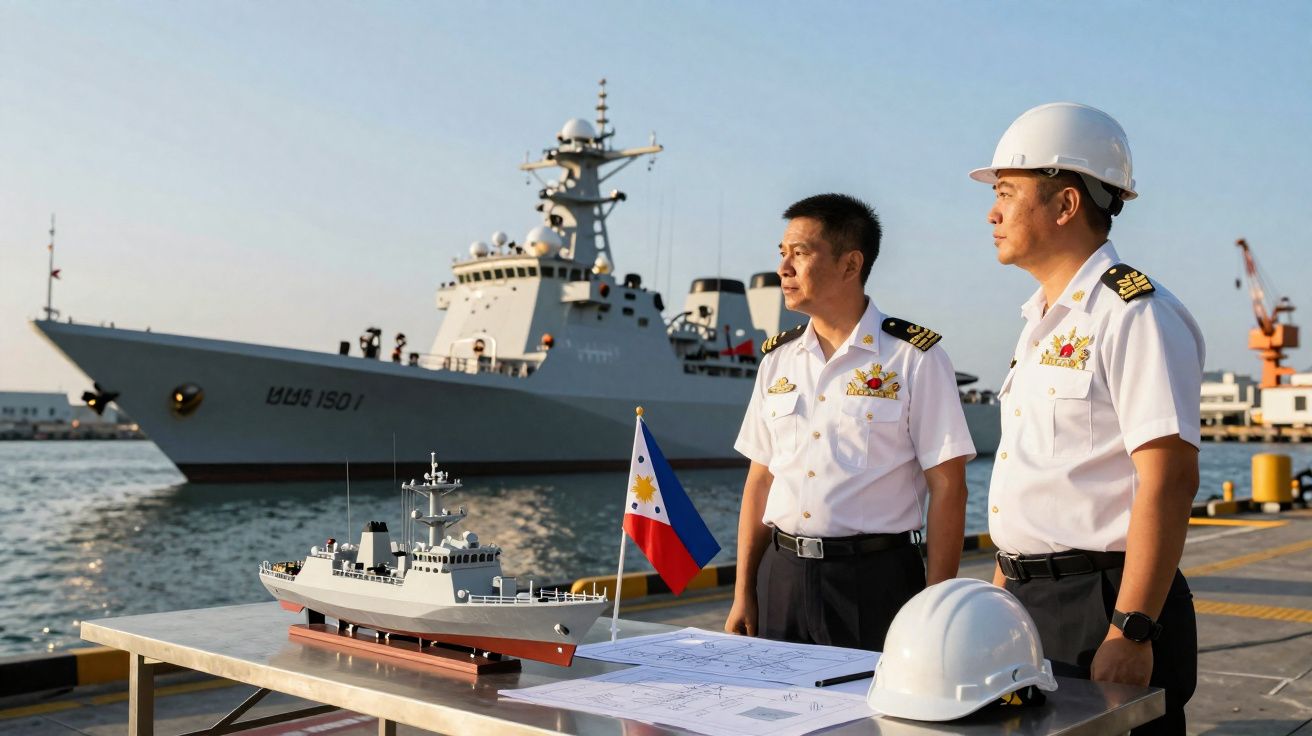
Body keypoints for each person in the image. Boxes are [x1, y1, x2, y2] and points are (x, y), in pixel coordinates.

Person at [971, 102, 1203, 734]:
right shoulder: (1040, 324)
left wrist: (1131, 627)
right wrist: (999, 600)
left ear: (1066, 204)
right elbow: (1035, 482)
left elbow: (1170, 478)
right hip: (1027, 602)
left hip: (1104, 602)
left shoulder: (1133, 313)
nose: (992, 212)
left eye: (1008, 193)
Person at [725, 193, 974, 651]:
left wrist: (934, 609)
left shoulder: (913, 358)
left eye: (800, 253)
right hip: (780, 576)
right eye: (782, 253)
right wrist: (744, 591)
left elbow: (949, 486)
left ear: (849, 264)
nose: (784, 267)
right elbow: (760, 481)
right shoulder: (777, 361)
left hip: (873, 581)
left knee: (874, 718)